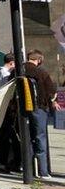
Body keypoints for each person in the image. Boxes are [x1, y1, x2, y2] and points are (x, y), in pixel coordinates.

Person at [24, 50, 55, 178]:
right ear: (39, 60)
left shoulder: (18, 71)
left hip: (22, 110)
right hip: (38, 108)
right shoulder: (41, 72)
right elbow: (51, 91)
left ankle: (28, 168)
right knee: (40, 137)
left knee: (27, 137)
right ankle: (43, 170)